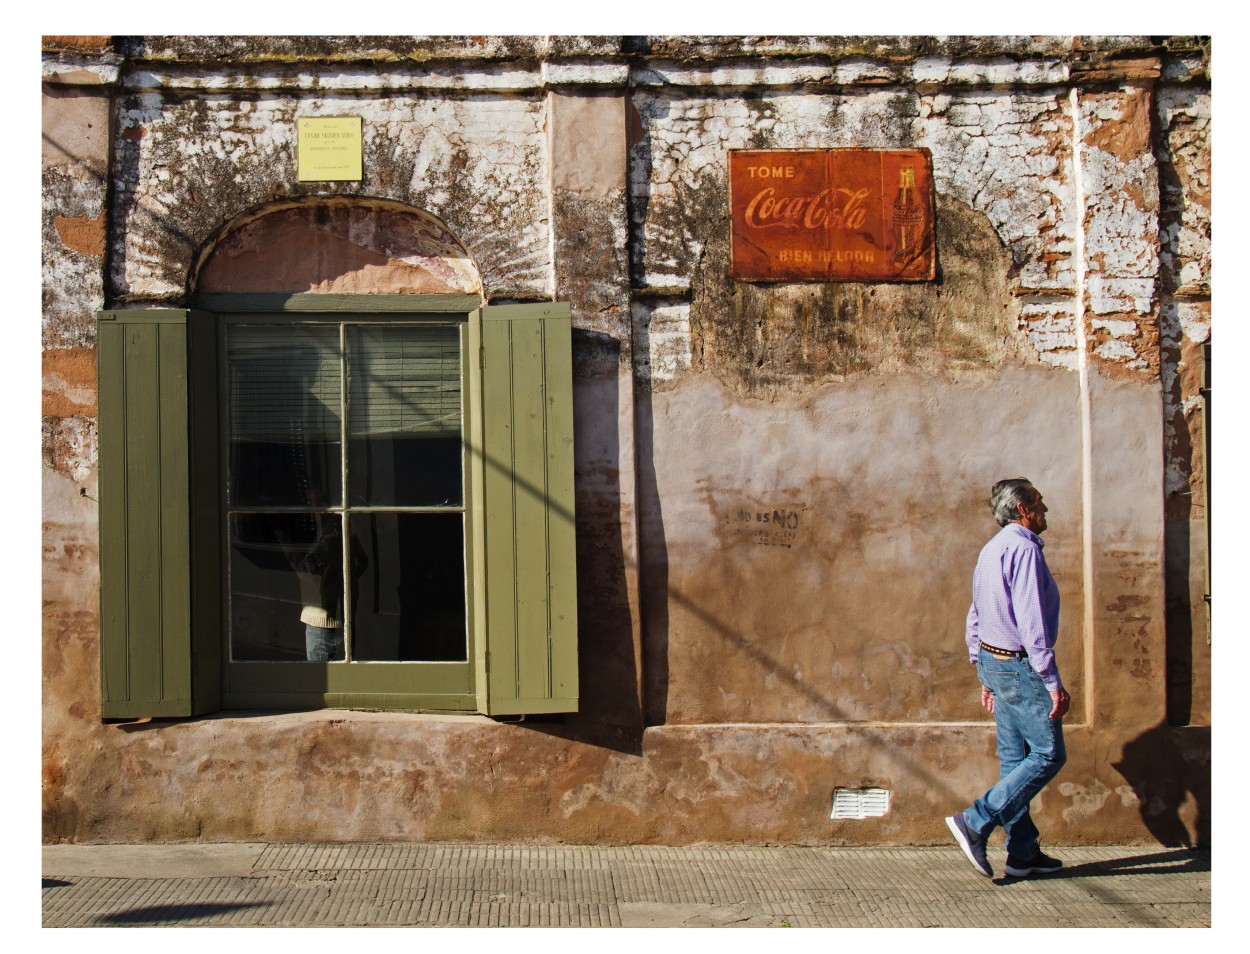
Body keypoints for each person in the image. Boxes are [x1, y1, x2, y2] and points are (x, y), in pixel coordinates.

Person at [946, 478, 1071, 879]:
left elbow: (975, 614)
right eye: (1039, 502)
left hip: (995, 661)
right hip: (1018, 665)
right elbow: (1032, 622)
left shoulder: (992, 549)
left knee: (1016, 759)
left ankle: (1022, 852)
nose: (1045, 508)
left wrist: (983, 668)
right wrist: (1051, 680)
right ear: (1022, 509)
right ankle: (976, 820)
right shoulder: (1023, 550)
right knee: (1048, 754)